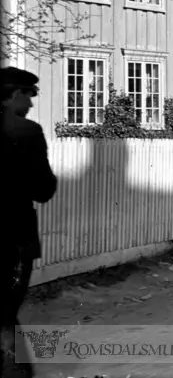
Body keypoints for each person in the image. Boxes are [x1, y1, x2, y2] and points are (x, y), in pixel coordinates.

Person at [1, 67, 58, 377]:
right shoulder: (26, 132)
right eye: (28, 95)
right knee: (5, 315)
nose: (31, 104)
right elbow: (43, 189)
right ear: (12, 95)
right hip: (14, 241)